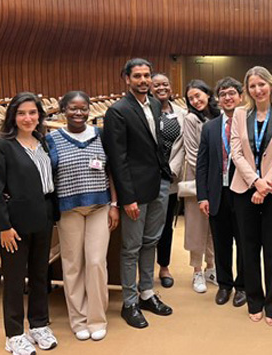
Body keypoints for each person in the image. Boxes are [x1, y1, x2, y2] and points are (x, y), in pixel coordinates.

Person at [0, 92, 60, 355]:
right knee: (15, 280)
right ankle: (14, 333)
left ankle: (39, 324)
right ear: (12, 116)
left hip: (43, 217)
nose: (27, 118)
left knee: (40, 276)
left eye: (32, 112)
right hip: (14, 225)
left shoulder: (43, 142)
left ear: (39, 114)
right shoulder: (1, 145)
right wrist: (3, 227)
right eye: (21, 113)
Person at [102, 58, 173, 329]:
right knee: (131, 247)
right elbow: (117, 160)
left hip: (158, 185)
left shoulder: (155, 103)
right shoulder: (117, 111)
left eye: (147, 75)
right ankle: (129, 302)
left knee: (151, 242)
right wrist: (126, 197)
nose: (143, 80)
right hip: (135, 191)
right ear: (127, 79)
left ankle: (146, 293)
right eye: (138, 76)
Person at [46, 91, 119, 341]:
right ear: (62, 110)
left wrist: (115, 204)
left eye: (83, 108)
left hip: (100, 206)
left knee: (97, 263)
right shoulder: (52, 139)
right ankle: (78, 319)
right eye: (72, 108)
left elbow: (112, 171)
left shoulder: (100, 135)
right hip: (68, 210)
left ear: (90, 110)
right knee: (73, 265)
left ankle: (97, 318)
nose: (78, 113)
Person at [231, 66, 272, 326]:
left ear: (271, 85)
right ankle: (254, 301)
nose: (258, 90)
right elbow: (236, 152)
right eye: (252, 86)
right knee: (248, 248)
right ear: (248, 90)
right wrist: (255, 182)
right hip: (244, 189)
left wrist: (265, 184)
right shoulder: (239, 113)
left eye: (262, 84)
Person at [196, 76, 247, 306]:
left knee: (245, 243)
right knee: (221, 243)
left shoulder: (250, 122)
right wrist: (203, 196)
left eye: (232, 93)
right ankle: (225, 285)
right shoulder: (210, 127)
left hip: (243, 193)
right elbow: (202, 164)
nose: (227, 98)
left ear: (240, 96)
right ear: (218, 99)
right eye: (223, 94)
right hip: (217, 194)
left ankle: (243, 286)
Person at [182, 79, 220, 293]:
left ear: (208, 94)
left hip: (216, 178)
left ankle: (211, 267)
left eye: (198, 95)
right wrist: (207, 177)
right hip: (198, 176)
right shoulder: (190, 118)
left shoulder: (218, 115)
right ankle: (197, 270)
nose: (196, 101)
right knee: (197, 227)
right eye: (191, 98)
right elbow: (193, 152)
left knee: (213, 227)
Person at [151, 72, 186, 288]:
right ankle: (143, 270)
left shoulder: (181, 113)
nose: (161, 88)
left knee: (165, 226)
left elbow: (184, 145)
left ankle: (164, 266)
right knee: (144, 225)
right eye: (157, 85)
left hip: (170, 177)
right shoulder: (142, 111)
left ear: (170, 88)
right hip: (147, 178)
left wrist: (172, 169)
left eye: (165, 84)